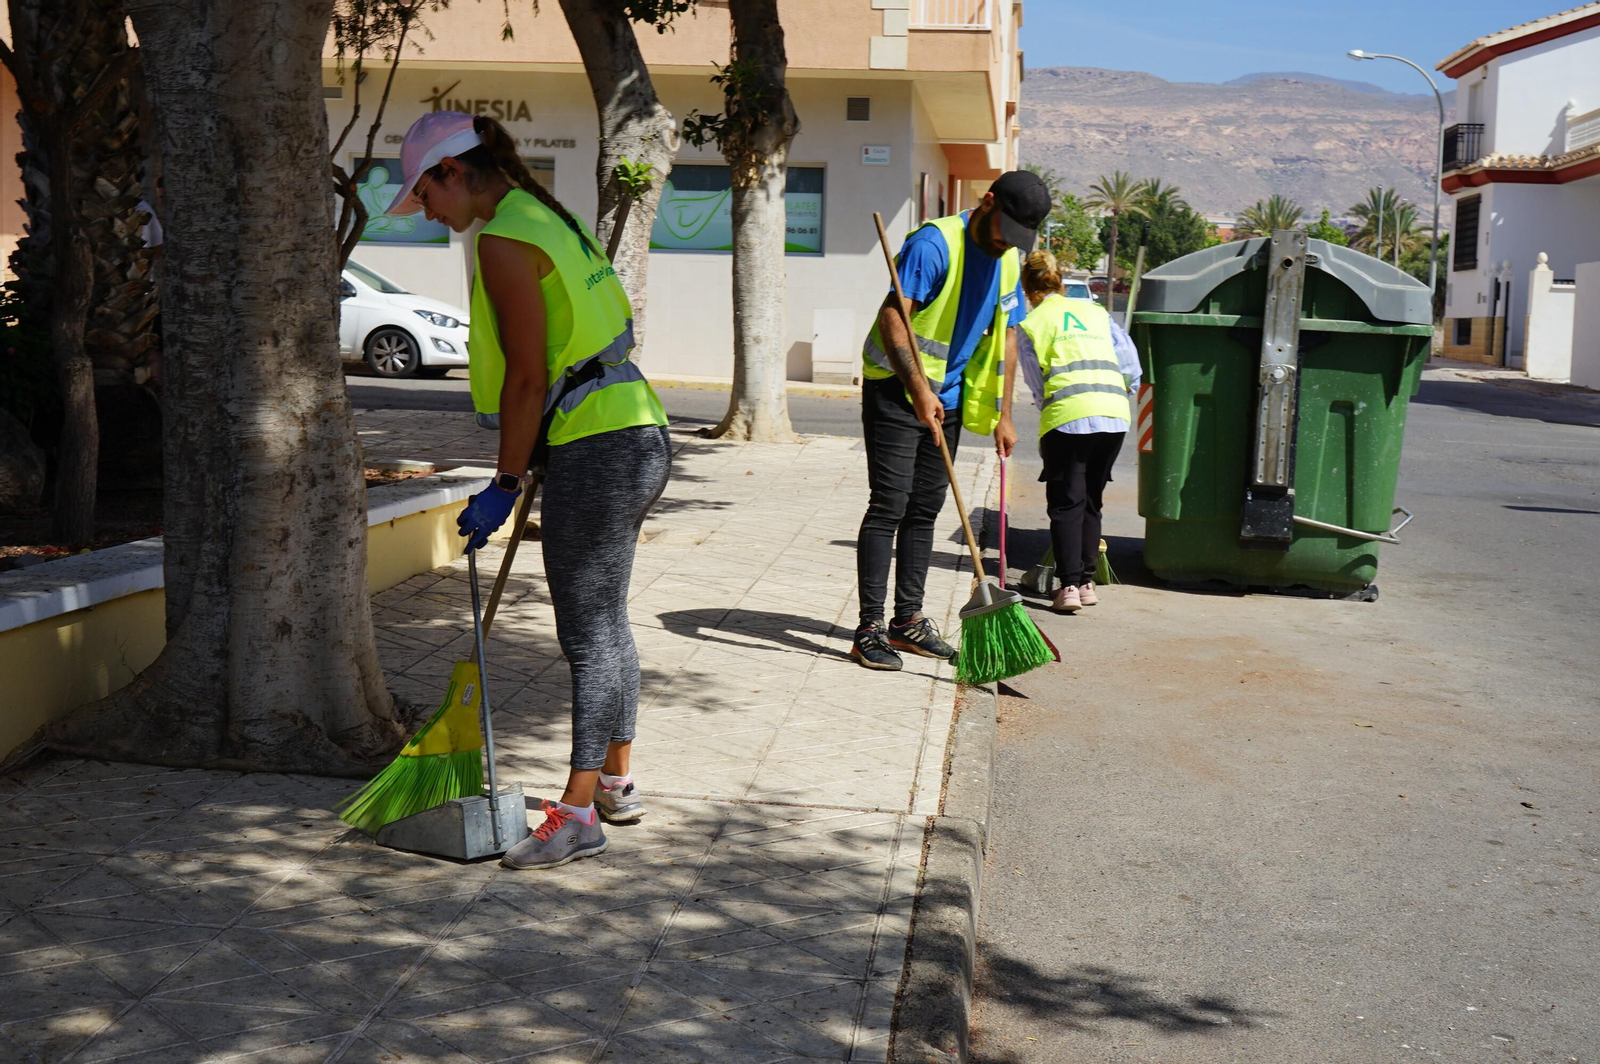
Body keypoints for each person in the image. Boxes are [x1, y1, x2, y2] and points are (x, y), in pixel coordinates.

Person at [385, 111, 671, 870]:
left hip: (599, 444)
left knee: (588, 633)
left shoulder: (507, 238)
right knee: (608, 620)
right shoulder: (543, 214)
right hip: (634, 429)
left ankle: (577, 813)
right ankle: (616, 779)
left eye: (426, 195)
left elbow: (528, 375)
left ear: (452, 171)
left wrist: (505, 481)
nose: (430, 215)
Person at [852, 171, 1051, 670]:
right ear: (987, 203)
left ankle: (908, 622)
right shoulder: (933, 243)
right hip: (897, 389)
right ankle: (869, 628)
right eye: (1006, 228)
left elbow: (1006, 337)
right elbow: (893, 316)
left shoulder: (1008, 261)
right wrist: (918, 388)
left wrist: (1005, 414)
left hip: (953, 398)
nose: (1009, 242)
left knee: (925, 509)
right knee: (889, 505)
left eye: (1020, 237)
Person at [1016, 250, 1141, 613]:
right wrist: (1119, 391)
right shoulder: (1096, 312)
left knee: (1066, 502)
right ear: (1059, 279)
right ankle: (1087, 583)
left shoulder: (1033, 323)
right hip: (1114, 414)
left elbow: (1035, 381)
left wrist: (1050, 405)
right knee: (1091, 500)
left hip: (1068, 416)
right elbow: (1130, 363)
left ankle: (1068, 585)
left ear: (1029, 286)